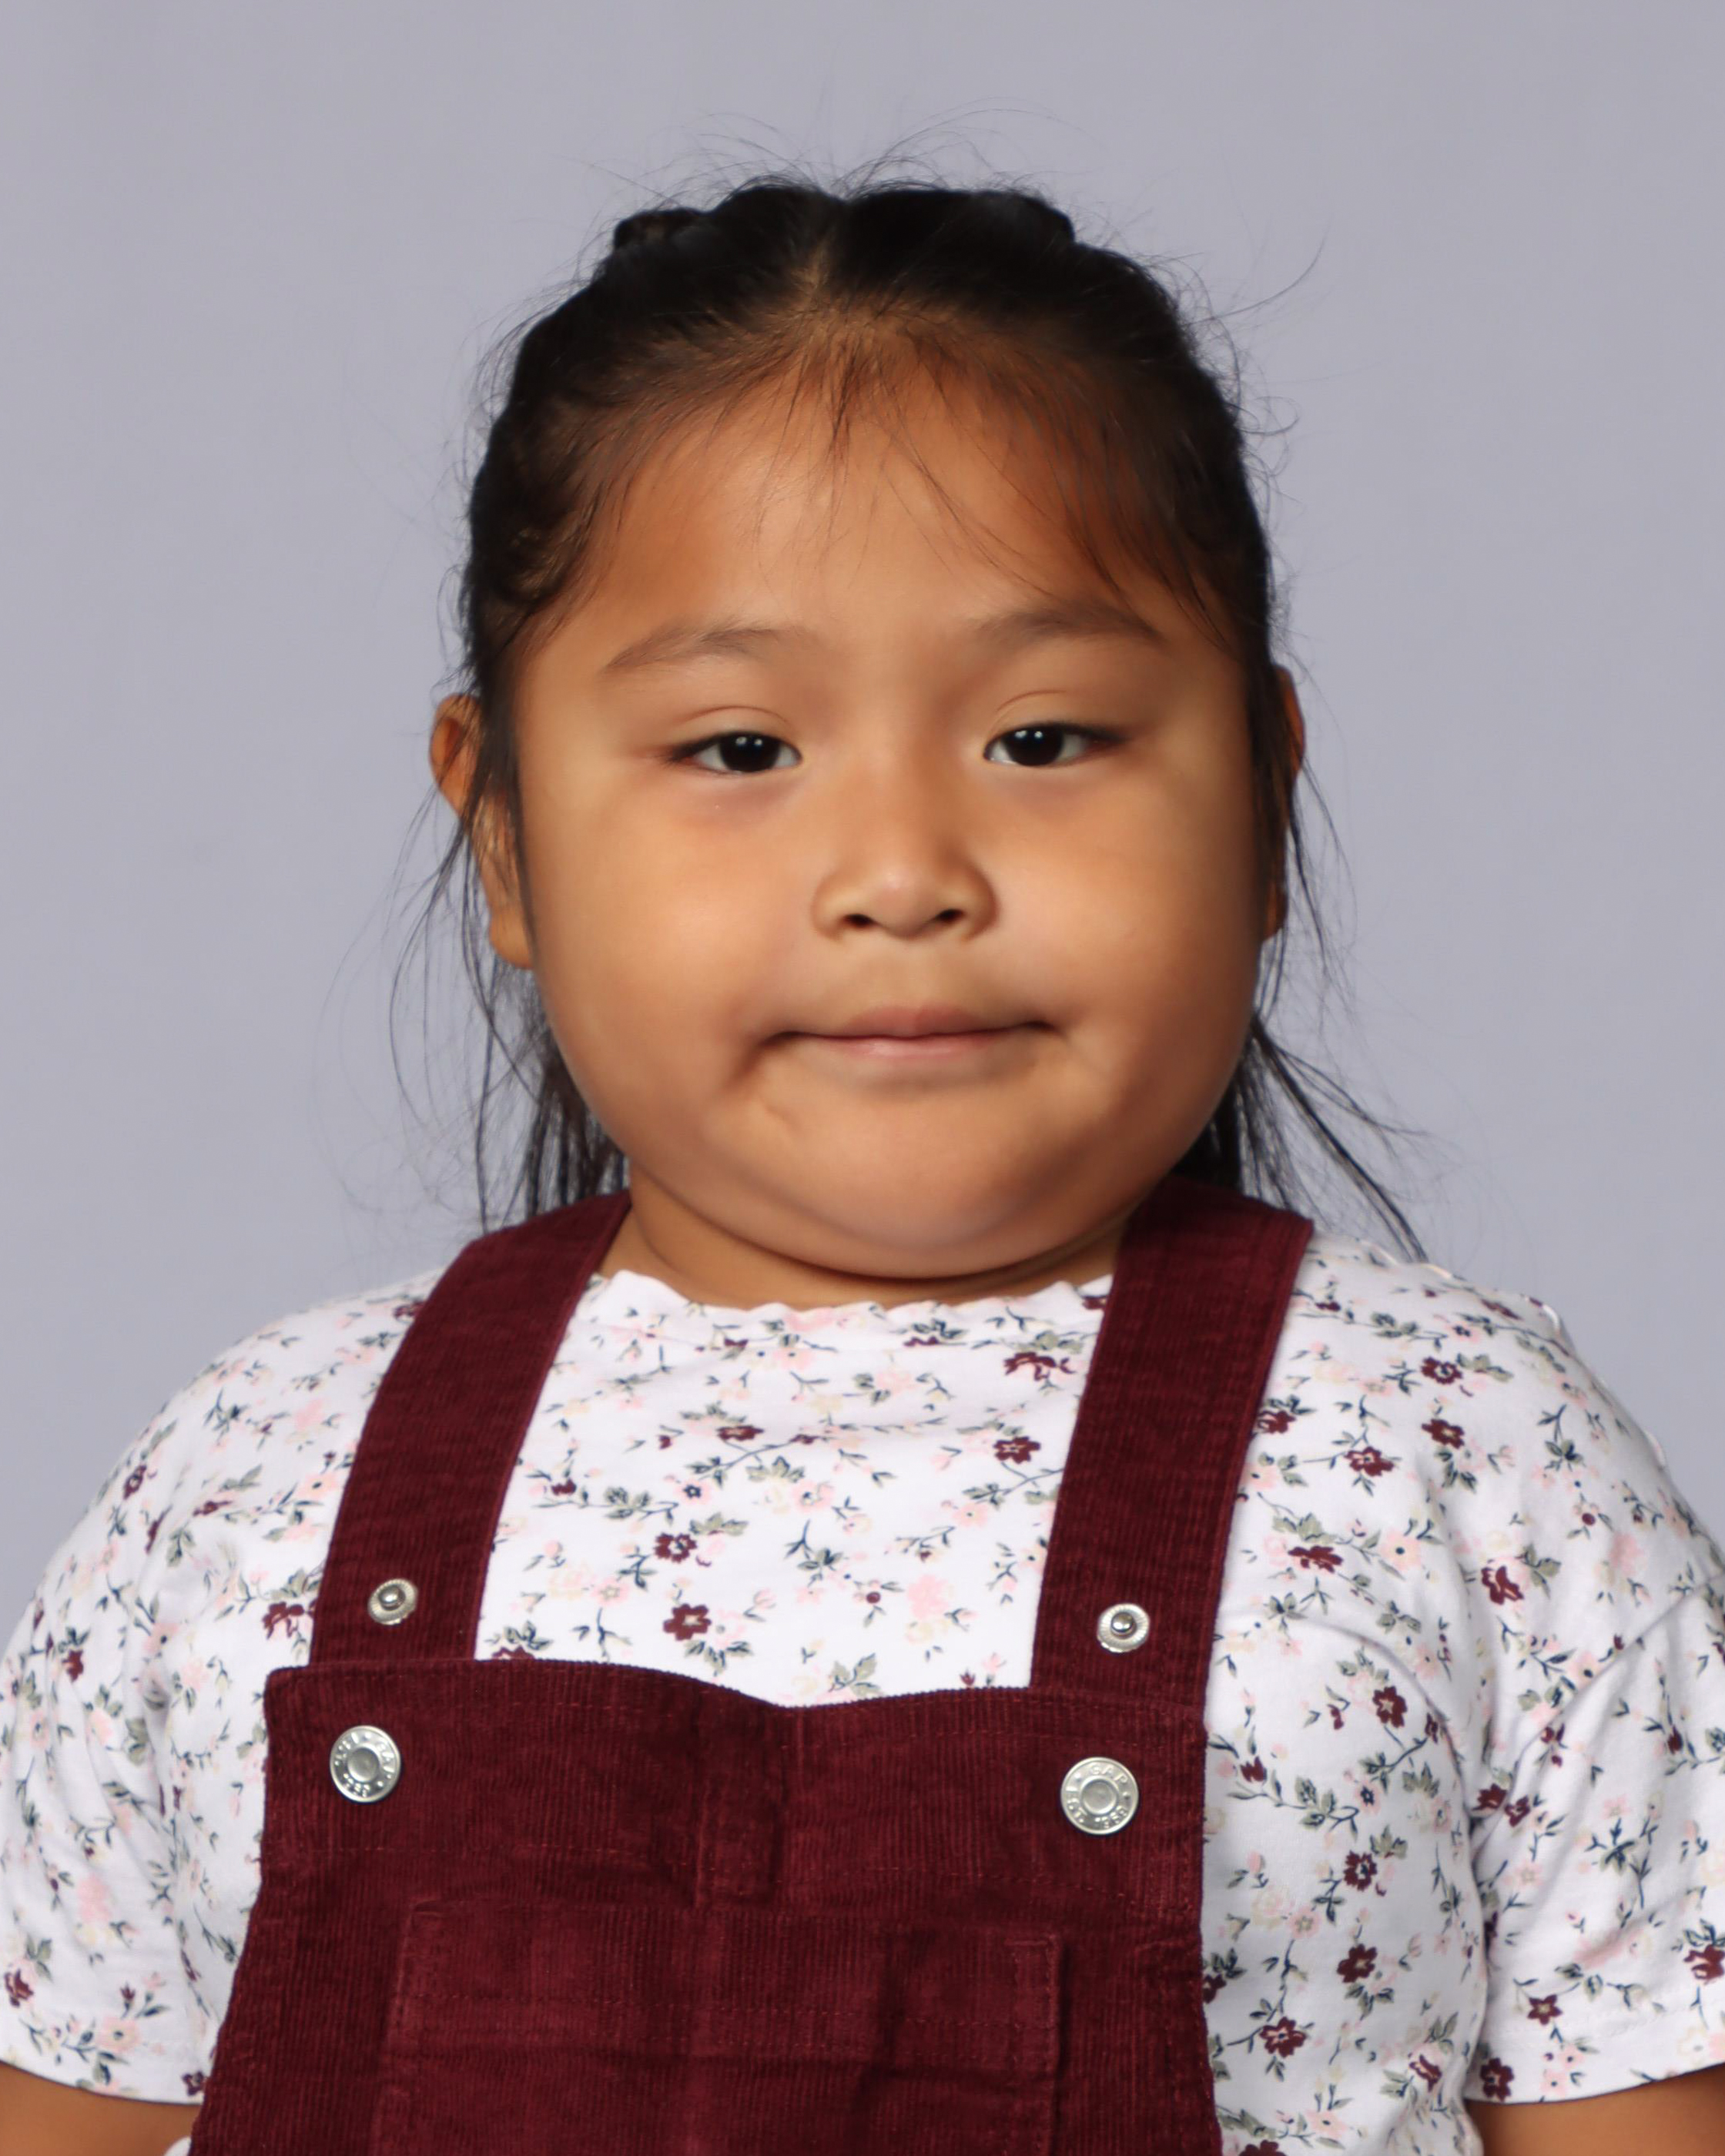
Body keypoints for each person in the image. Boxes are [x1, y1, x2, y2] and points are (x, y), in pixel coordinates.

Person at [2, 172, 1722, 2156]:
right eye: (742, 750)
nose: (903, 874)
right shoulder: (248, 1485)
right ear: (506, 840)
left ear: (1261, 798)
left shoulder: (1472, 1465)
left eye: (1045, 738)